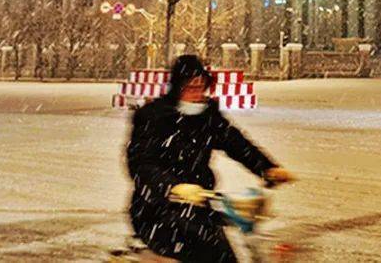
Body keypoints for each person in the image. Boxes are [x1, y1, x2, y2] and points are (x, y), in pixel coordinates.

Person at [126, 55, 293, 261]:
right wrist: (173, 187)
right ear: (177, 87)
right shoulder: (153, 116)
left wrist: (267, 168)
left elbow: (237, 144)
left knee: (224, 253)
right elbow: (141, 165)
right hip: (155, 210)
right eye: (190, 87)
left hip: (199, 204)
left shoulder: (207, 117)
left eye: (200, 87)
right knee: (212, 253)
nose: (196, 93)